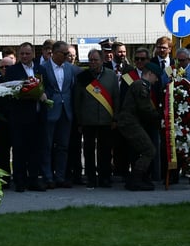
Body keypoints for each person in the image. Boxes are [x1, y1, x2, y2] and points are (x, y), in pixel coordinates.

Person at [2, 42, 49, 192]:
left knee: (35, 150)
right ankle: (20, 181)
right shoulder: (12, 71)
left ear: (33, 54)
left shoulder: (40, 69)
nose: (24, 56)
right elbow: (9, 91)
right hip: (19, 117)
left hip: (36, 116)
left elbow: (45, 87)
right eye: (21, 53)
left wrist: (43, 95)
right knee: (19, 150)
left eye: (27, 53)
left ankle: (33, 180)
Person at [74, 49, 118, 189]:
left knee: (105, 151)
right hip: (88, 120)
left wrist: (115, 118)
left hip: (106, 120)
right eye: (90, 60)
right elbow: (77, 101)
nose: (93, 62)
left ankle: (105, 177)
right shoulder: (83, 77)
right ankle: (91, 178)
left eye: (95, 60)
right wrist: (79, 121)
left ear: (102, 60)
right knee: (88, 151)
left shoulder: (111, 76)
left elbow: (116, 98)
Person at [116, 62, 163, 191]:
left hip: (130, 122)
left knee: (142, 150)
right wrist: (161, 116)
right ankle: (135, 179)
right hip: (130, 123)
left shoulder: (141, 85)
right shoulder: (141, 86)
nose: (157, 79)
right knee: (149, 150)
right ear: (150, 74)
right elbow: (145, 108)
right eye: (156, 76)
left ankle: (138, 178)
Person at [41, 41, 78, 187]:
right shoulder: (43, 68)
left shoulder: (70, 68)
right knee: (47, 145)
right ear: (55, 53)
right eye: (65, 54)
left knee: (63, 146)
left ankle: (60, 177)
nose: (68, 56)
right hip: (50, 111)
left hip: (66, 111)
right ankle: (47, 176)